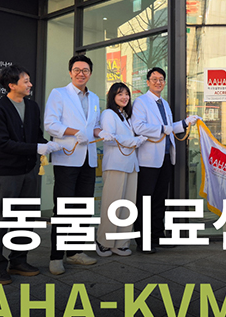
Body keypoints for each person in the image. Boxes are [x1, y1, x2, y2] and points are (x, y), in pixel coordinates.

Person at [0, 64, 60, 285]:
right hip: (7, 173)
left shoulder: (32, 107)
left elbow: (36, 136)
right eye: (25, 81)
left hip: (29, 170)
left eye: (29, 80)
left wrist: (50, 145)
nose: (30, 84)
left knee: (25, 218)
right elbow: (3, 144)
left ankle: (18, 261)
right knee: (1, 220)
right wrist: (36, 148)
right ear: (11, 85)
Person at [44, 54, 109, 274]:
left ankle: (74, 252)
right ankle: (56, 257)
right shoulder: (59, 94)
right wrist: (74, 132)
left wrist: (101, 132)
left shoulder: (94, 98)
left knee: (82, 208)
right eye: (77, 70)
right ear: (70, 72)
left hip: (88, 159)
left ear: (90, 73)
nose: (81, 74)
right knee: (63, 208)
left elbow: (94, 125)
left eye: (85, 70)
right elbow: (50, 124)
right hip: (67, 158)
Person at [131, 67, 200, 253]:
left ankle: (157, 236)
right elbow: (138, 127)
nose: (158, 82)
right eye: (154, 79)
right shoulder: (141, 102)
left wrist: (185, 123)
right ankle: (143, 241)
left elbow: (170, 128)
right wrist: (162, 129)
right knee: (145, 201)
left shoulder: (165, 104)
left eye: (161, 79)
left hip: (166, 157)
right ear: (148, 82)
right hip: (148, 160)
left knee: (160, 200)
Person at [96, 82, 147, 258]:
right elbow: (110, 138)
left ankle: (121, 243)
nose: (124, 97)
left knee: (128, 205)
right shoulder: (108, 114)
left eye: (126, 94)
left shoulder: (126, 116)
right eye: (120, 94)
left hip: (131, 165)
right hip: (115, 165)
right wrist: (134, 141)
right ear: (112, 96)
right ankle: (104, 242)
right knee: (112, 204)